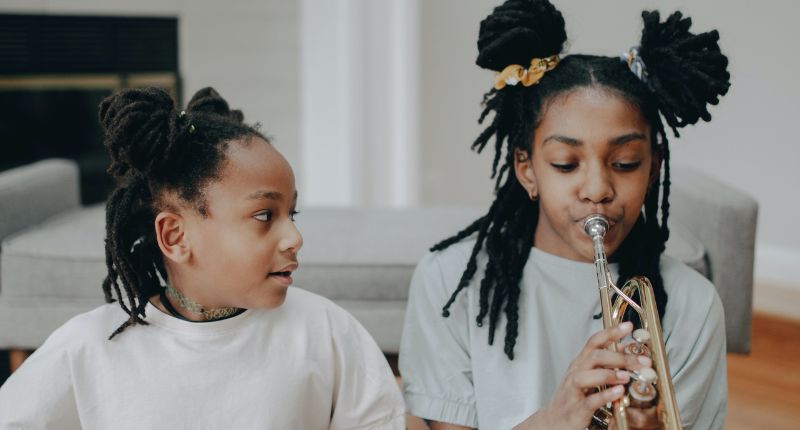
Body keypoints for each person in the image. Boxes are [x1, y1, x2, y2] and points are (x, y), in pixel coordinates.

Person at [399, 0, 730, 429]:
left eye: (626, 163)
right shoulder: (447, 282)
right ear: (527, 170)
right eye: (565, 164)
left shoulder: (692, 305)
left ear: (653, 172)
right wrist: (557, 419)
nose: (597, 190)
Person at [0, 87, 405, 429]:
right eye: (265, 215)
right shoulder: (89, 347)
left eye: (291, 215)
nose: (294, 238)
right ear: (175, 236)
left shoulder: (326, 330)